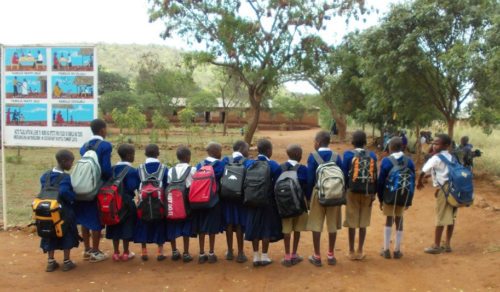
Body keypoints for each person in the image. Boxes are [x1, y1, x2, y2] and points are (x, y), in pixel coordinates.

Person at [74, 119, 112, 262]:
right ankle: (96, 251)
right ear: (102, 130)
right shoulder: (105, 146)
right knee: (96, 217)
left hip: (82, 185)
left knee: (85, 218)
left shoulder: (84, 146)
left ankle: (87, 249)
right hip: (97, 187)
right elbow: (106, 169)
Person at [306, 130, 343, 267]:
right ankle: (331, 255)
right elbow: (342, 175)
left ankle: (317, 256)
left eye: (314, 141)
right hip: (334, 194)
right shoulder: (336, 156)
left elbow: (310, 179)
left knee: (316, 224)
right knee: (332, 225)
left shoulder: (313, 156)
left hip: (318, 193)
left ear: (318, 142)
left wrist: (309, 197)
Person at [244, 139, 284, 267]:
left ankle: (256, 257)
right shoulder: (274, 165)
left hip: (251, 201)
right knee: (266, 228)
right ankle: (265, 256)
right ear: (268, 151)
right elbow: (278, 185)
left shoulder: (249, 163)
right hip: (267, 202)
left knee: (254, 227)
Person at [39, 150, 79, 272]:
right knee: (67, 233)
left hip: (47, 211)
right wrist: (73, 199)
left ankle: (51, 261)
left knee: (49, 233)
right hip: (63, 211)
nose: (71, 165)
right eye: (70, 162)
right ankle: (67, 261)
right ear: (63, 161)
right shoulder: (65, 178)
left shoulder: (45, 175)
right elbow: (64, 192)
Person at [417, 134, 456, 254]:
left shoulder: (435, 158)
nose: (434, 145)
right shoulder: (452, 157)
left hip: (444, 190)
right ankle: (448, 244)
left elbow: (422, 171)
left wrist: (419, 183)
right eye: (433, 143)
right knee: (451, 217)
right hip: (454, 189)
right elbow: (445, 172)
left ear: (446, 145)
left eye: (437, 143)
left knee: (440, 217)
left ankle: (436, 245)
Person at [377, 138, 416, 259]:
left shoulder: (386, 161)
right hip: (403, 195)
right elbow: (412, 182)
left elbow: (380, 182)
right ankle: (397, 250)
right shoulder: (409, 161)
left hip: (389, 196)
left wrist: (381, 199)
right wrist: (409, 200)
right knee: (399, 220)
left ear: (389, 148)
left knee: (389, 219)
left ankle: (386, 249)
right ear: (403, 147)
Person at [342, 130, 378, 260]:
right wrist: (374, 193)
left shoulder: (347, 155)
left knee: (352, 221)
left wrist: (345, 191)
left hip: (352, 191)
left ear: (352, 142)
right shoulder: (372, 156)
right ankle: (360, 250)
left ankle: (351, 251)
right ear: (365, 142)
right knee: (363, 222)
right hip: (368, 191)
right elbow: (375, 175)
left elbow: (344, 173)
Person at [133, 144, 168, 261]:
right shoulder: (164, 168)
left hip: (143, 204)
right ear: (158, 154)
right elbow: (167, 186)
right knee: (159, 225)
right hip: (159, 203)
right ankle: (159, 251)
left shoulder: (139, 169)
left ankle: (144, 251)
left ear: (145, 154)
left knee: (143, 224)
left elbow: (135, 186)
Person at [192, 142, 224, 264]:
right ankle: (211, 253)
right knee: (211, 228)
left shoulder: (199, 164)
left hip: (198, 200)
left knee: (201, 228)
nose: (221, 153)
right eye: (220, 151)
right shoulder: (220, 165)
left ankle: (201, 253)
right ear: (215, 152)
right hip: (213, 201)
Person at [107, 144, 140, 262]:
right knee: (126, 225)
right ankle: (126, 252)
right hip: (126, 201)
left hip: (112, 201)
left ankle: (116, 252)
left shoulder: (112, 169)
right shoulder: (131, 171)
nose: (134, 157)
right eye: (133, 155)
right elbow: (133, 186)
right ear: (129, 155)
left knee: (114, 224)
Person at [166, 145, 197, 263]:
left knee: (172, 224)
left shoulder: (171, 170)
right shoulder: (192, 169)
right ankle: (186, 253)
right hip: (186, 202)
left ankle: (174, 251)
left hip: (172, 201)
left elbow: (169, 183)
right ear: (188, 157)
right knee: (186, 226)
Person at [221, 140, 249, 263]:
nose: (248, 151)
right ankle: (241, 253)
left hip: (227, 197)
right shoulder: (247, 162)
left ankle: (230, 251)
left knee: (229, 223)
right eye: (247, 148)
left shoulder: (225, 161)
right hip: (240, 198)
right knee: (239, 225)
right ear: (241, 149)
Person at [280, 144, 308, 267]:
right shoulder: (303, 169)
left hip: (284, 204)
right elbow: (307, 186)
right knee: (297, 229)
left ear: (287, 154)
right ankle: (294, 254)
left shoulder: (280, 167)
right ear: (301, 157)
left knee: (286, 230)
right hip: (300, 204)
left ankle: (286, 256)